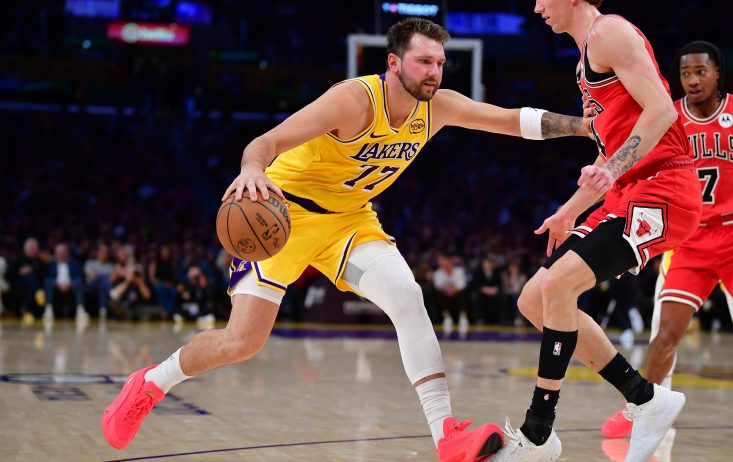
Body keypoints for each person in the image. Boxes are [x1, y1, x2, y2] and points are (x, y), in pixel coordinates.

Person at [102, 17, 596, 461]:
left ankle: (447, 432)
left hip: (349, 224)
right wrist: (253, 169)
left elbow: (509, 119)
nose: (434, 72)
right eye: (424, 61)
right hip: (283, 222)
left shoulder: (438, 107)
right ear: (394, 62)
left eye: (440, 63)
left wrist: (585, 127)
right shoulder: (354, 100)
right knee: (241, 342)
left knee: (407, 297)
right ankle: (149, 382)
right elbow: (266, 143)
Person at [488, 2, 704, 461]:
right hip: (628, 192)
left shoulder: (609, 32)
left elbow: (662, 111)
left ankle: (538, 433)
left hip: (665, 189)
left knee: (561, 284)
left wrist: (616, 168)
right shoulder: (588, 59)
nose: (537, 7)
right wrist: (569, 211)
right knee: (534, 298)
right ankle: (646, 398)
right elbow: (609, 161)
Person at [600, 40, 733, 440]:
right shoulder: (669, 117)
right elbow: (642, 172)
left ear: (718, 72)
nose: (693, 80)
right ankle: (640, 410)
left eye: (701, 71)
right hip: (691, 240)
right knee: (664, 336)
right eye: (685, 73)